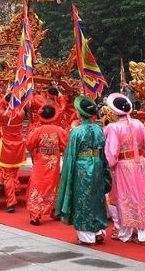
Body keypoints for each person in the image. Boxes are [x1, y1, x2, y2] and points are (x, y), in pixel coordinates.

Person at [56, 96, 111, 245]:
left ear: (80, 113)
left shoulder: (77, 132)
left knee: (83, 199)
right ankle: (99, 231)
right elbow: (104, 150)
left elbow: (70, 155)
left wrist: (68, 172)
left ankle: (87, 236)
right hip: (98, 164)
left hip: (82, 167)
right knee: (97, 196)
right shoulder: (99, 129)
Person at [104, 93, 145, 244]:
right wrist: (144, 154)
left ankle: (126, 232)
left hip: (123, 165)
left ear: (114, 111)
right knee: (141, 194)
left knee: (125, 196)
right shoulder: (139, 124)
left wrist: (110, 164)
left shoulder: (113, 128)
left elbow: (111, 152)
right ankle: (144, 234)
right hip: (138, 163)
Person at [26, 103, 68, 225]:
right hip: (53, 163)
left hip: (40, 162)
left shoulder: (37, 130)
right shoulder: (59, 130)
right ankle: (54, 211)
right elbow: (66, 144)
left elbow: (29, 144)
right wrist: (59, 150)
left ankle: (35, 215)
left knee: (37, 185)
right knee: (53, 185)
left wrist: (35, 153)